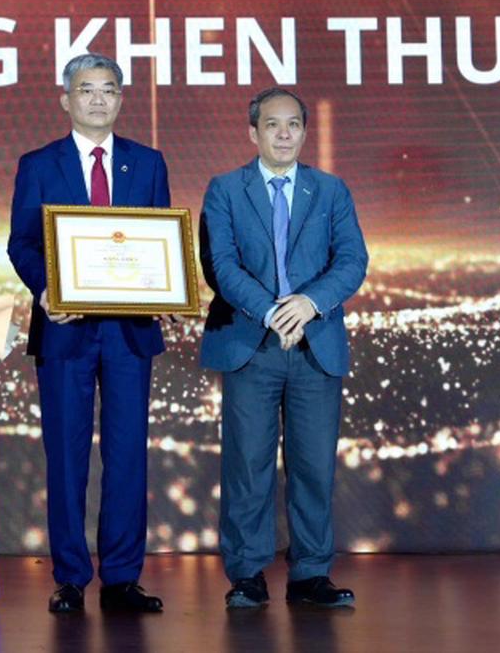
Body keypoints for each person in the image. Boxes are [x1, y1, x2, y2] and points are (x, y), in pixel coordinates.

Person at [7, 53, 170, 615]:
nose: (98, 99)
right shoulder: (38, 164)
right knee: (66, 456)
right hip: (64, 329)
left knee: (127, 455)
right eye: (86, 89)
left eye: (109, 89)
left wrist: (166, 291)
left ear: (121, 99)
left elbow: (158, 241)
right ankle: (71, 577)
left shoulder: (147, 163)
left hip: (130, 331)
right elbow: (22, 243)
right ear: (66, 99)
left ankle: (122, 578)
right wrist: (45, 290)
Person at [198, 88, 368, 610]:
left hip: (315, 344)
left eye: (293, 124)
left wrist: (309, 305)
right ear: (253, 133)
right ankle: (247, 573)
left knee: (314, 466)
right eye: (273, 124)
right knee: (248, 466)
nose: (284, 134)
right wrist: (274, 312)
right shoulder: (225, 189)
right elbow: (221, 265)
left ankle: (311, 573)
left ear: (304, 131)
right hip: (252, 344)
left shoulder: (331, 190)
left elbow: (352, 260)